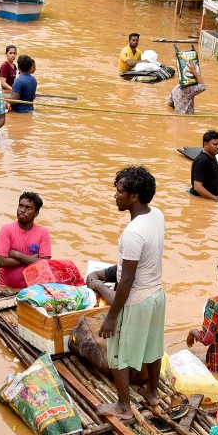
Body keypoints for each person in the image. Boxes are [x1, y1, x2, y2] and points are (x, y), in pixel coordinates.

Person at [93, 167, 166, 421]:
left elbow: (127, 280)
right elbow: (137, 266)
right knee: (153, 346)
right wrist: (103, 275)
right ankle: (153, 392)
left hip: (136, 301)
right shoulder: (156, 215)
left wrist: (111, 315)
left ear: (134, 196)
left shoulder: (132, 233)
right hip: (156, 295)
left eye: (120, 191)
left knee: (118, 353)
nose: (115, 196)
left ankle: (124, 407)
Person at [0, 192, 51, 291]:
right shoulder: (6, 230)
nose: (22, 210)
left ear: (36, 213)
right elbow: (1, 262)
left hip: (33, 289)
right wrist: (32, 259)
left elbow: (45, 264)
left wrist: (17, 255)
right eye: (21, 206)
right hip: (6, 288)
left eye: (28, 208)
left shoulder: (43, 233)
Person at [189, 130, 218, 202]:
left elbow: (214, 181)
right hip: (201, 200)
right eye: (215, 144)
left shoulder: (212, 156)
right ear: (206, 144)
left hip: (212, 198)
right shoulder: (202, 161)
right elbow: (197, 187)